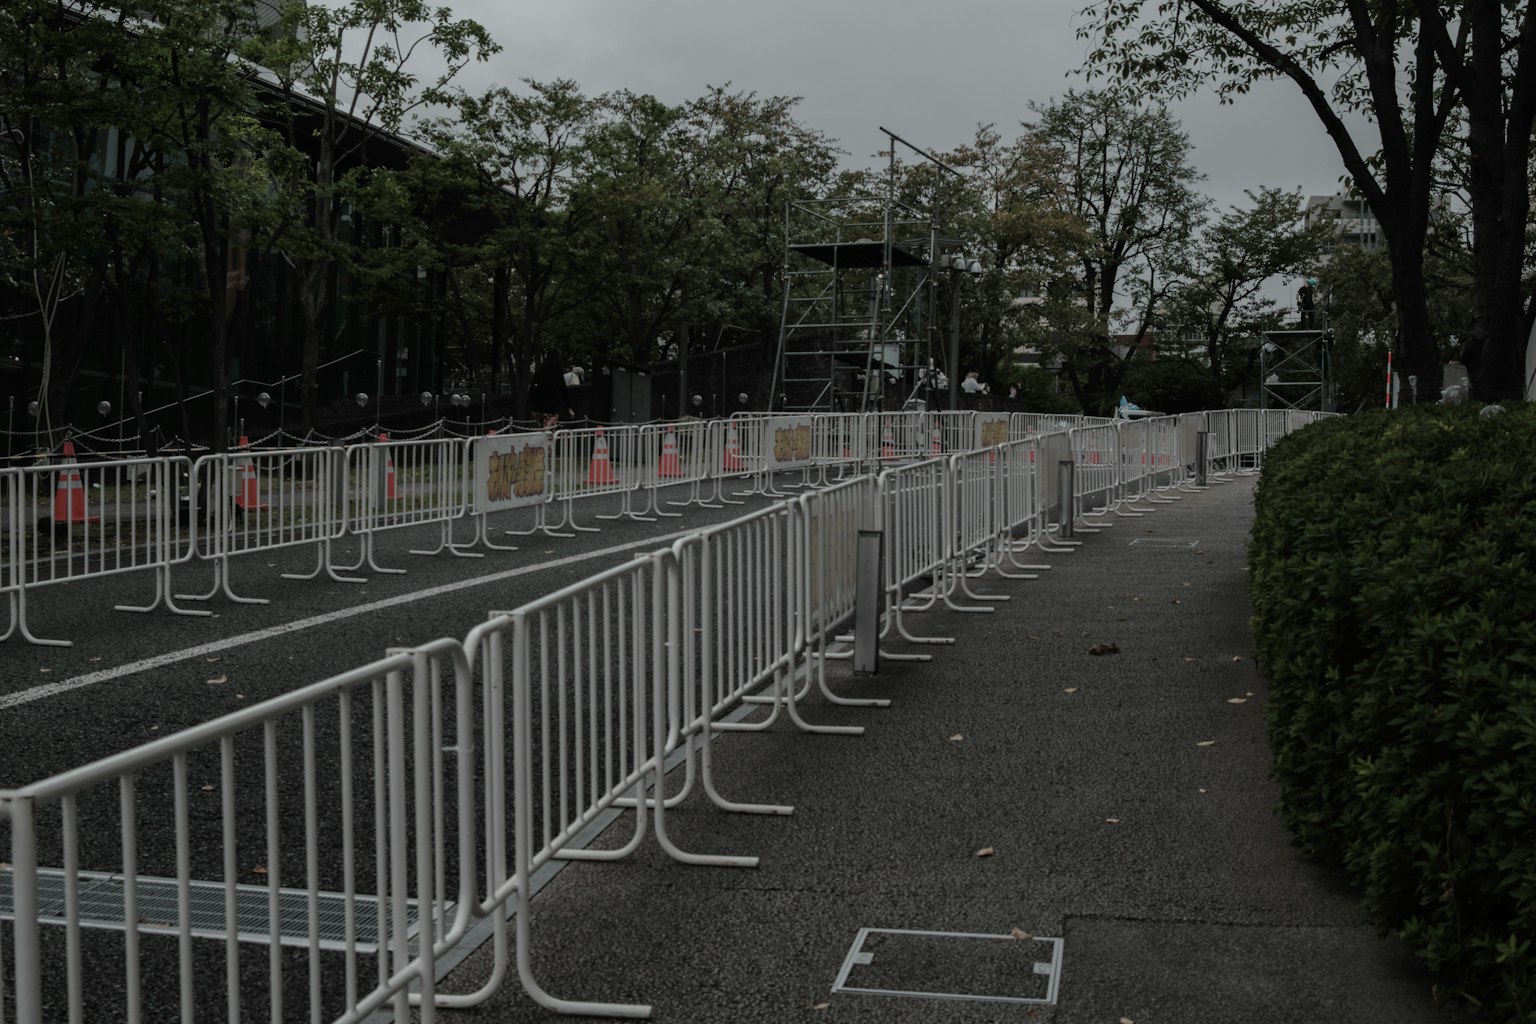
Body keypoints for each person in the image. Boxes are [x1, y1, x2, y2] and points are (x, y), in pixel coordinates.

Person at [528, 354, 574, 429]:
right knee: (549, 432)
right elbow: (563, 390)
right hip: (551, 407)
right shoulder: (557, 372)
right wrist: (569, 407)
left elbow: (532, 388)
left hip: (537, 407)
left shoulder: (540, 371)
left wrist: (532, 402)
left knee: (541, 429)